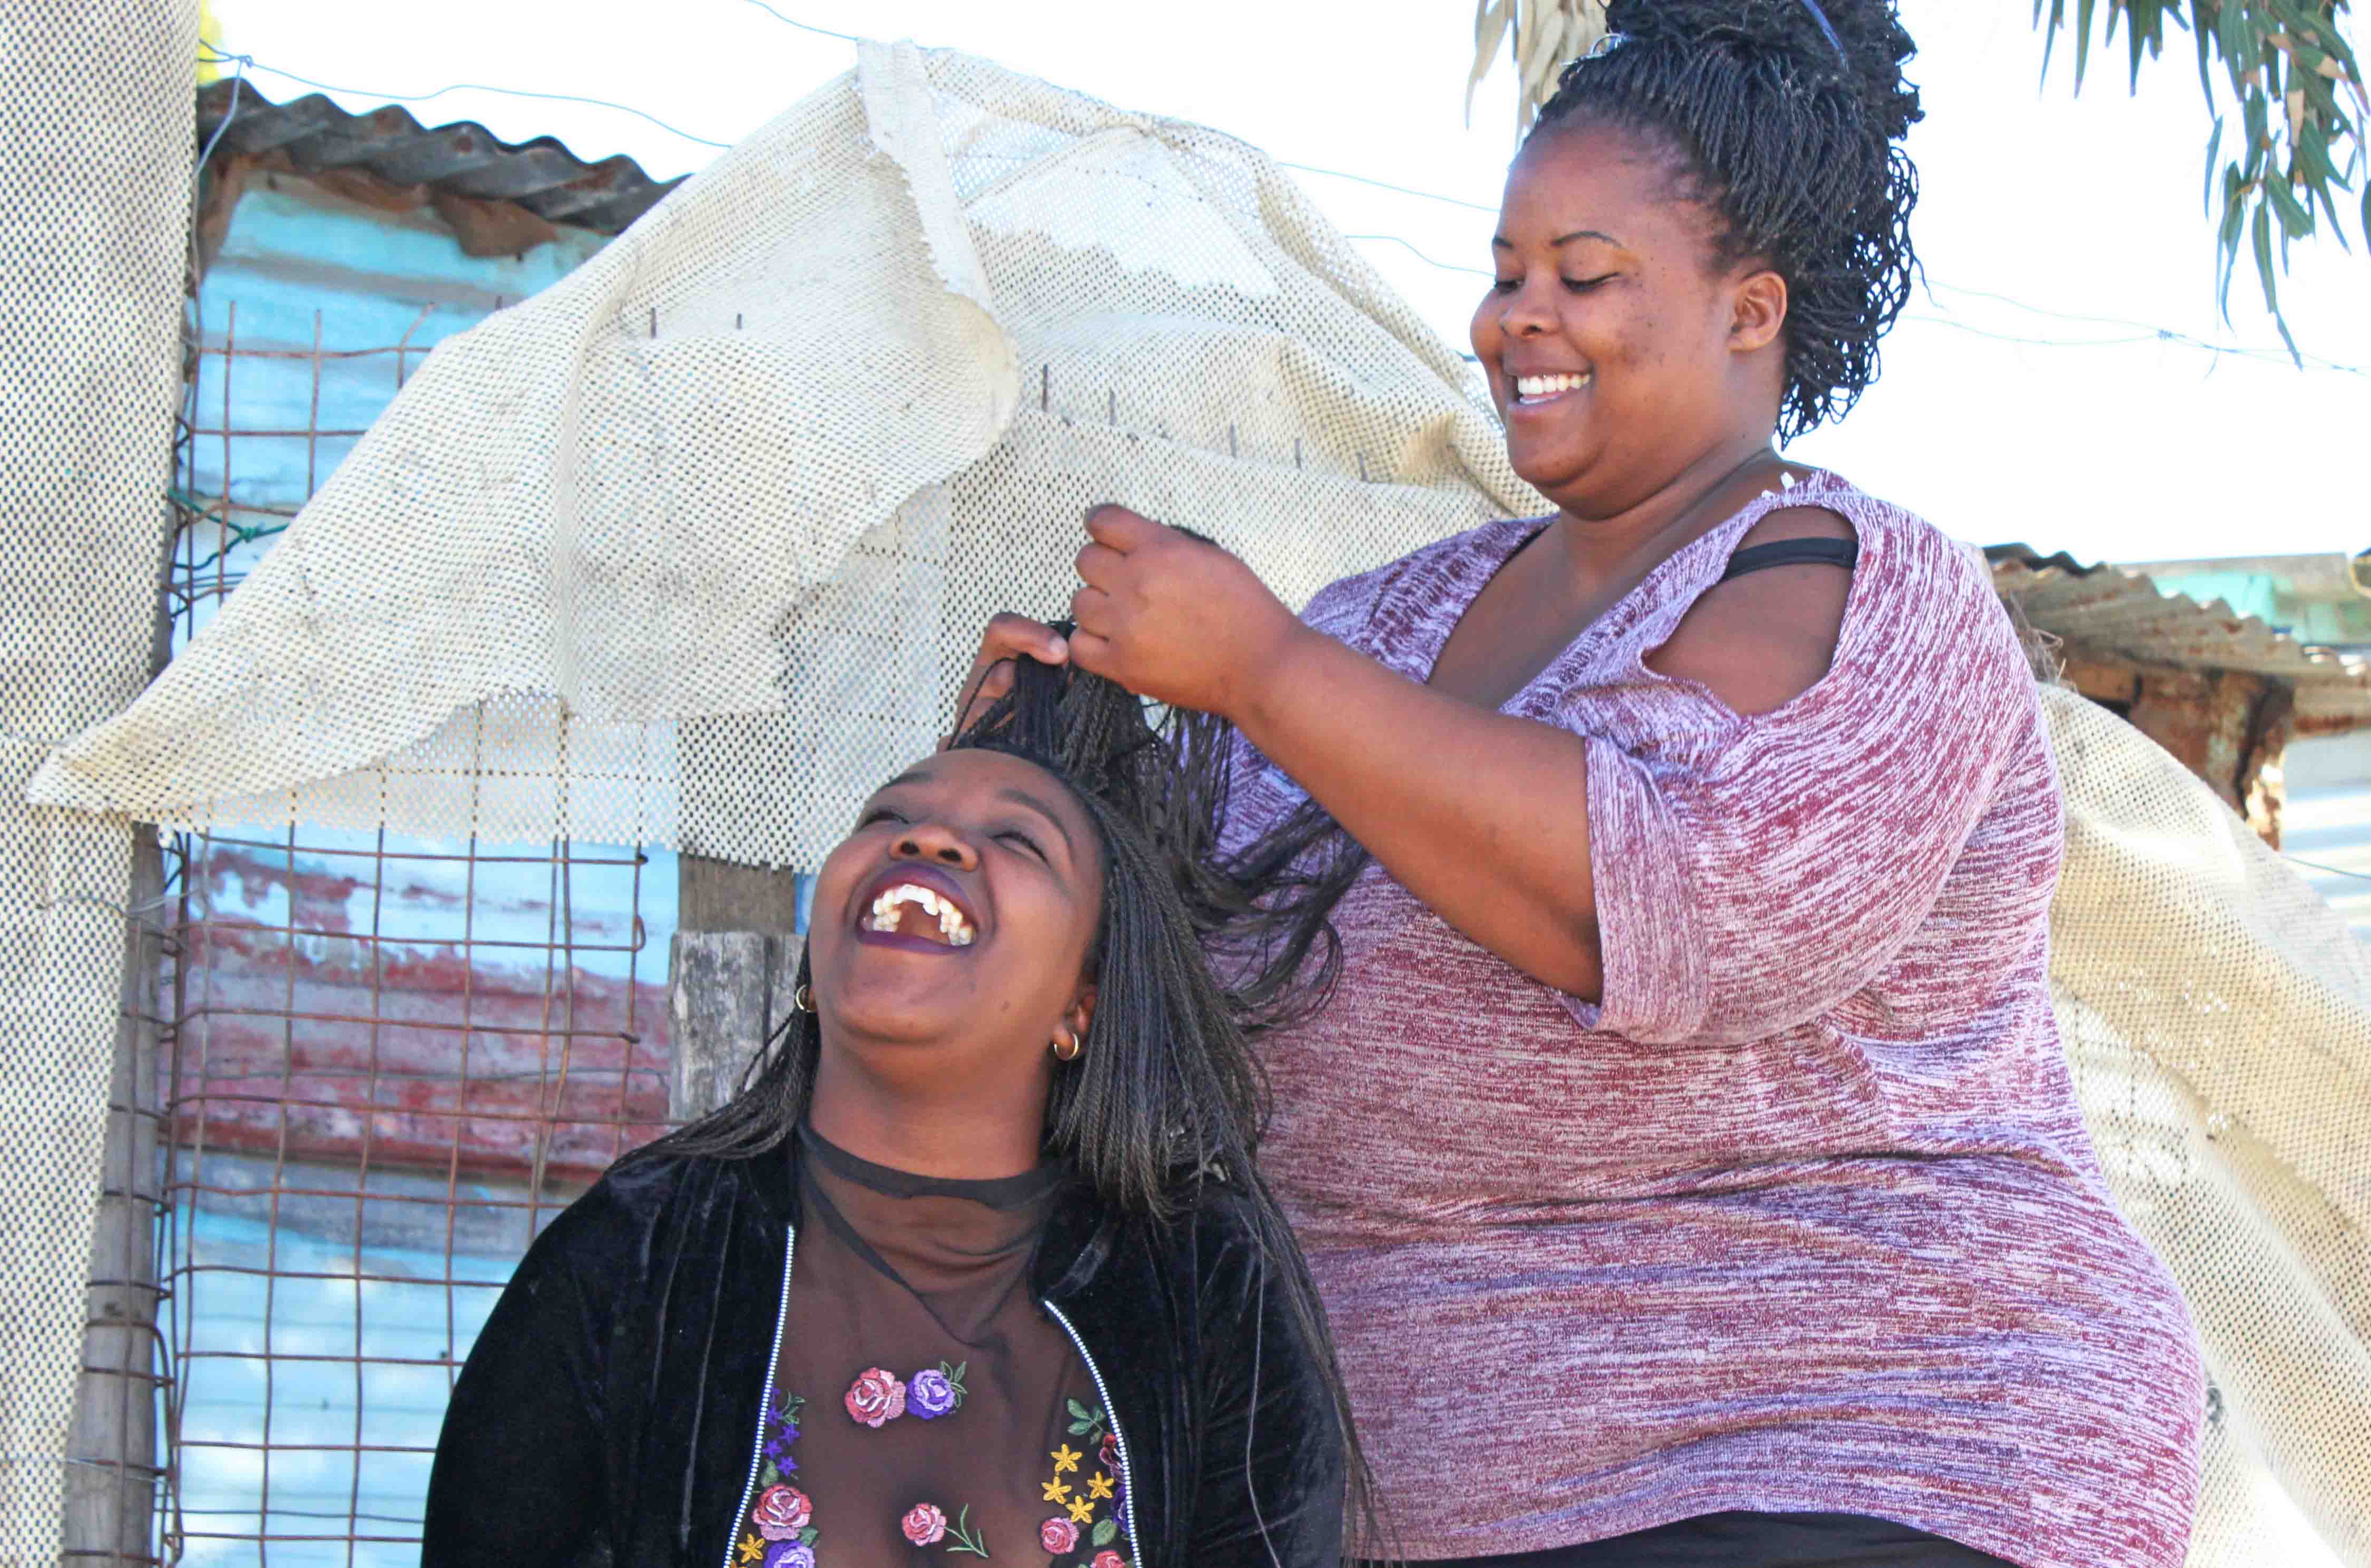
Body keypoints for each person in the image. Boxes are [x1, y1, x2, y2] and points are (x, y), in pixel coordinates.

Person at [956, 2, 2206, 1566]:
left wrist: (1263, 670)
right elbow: (1168, 978)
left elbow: (1684, 899)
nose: (1515, 320)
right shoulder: (1386, 624)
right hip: (1426, 1489)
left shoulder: (1876, 595)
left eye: (1586, 277)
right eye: (1503, 273)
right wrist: (1044, 781)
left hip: (1866, 1443)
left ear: (1752, 311)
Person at [422, 657, 1361, 1568]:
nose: (928, 840)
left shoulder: (1202, 1278)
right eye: (889, 817)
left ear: (1083, 1004)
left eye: (1022, 840)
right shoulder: (639, 1252)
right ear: (815, 971)